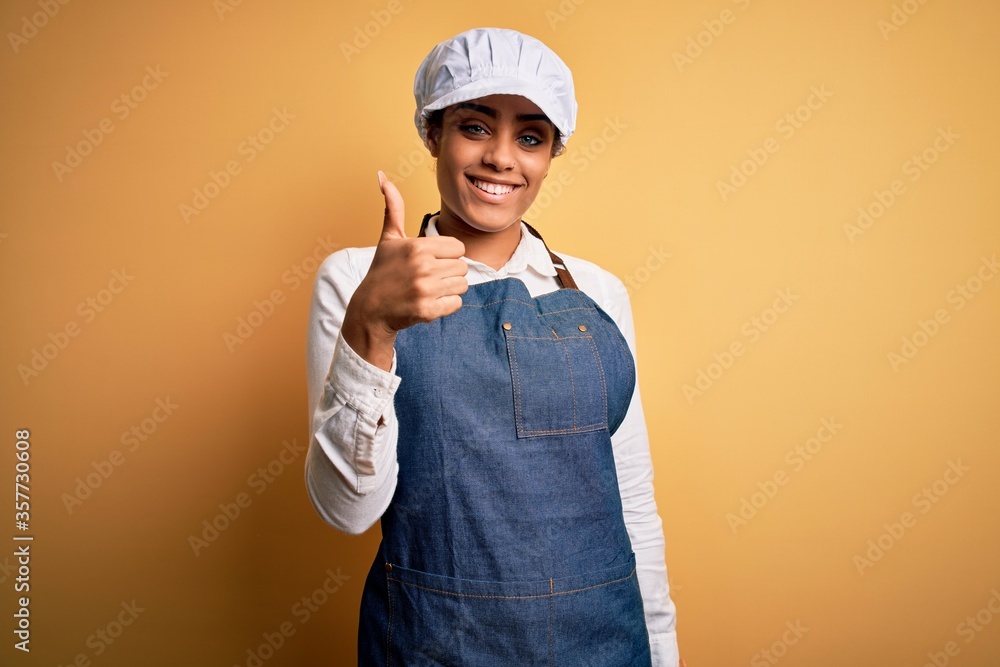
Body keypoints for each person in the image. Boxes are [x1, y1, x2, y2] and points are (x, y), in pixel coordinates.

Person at [305, 27, 681, 666]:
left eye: (530, 137)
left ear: (552, 153)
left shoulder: (599, 291)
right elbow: (347, 511)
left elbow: (633, 499)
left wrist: (663, 650)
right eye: (475, 127)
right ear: (434, 134)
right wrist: (372, 327)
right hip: (436, 643)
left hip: (603, 644)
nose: (502, 158)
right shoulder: (356, 279)